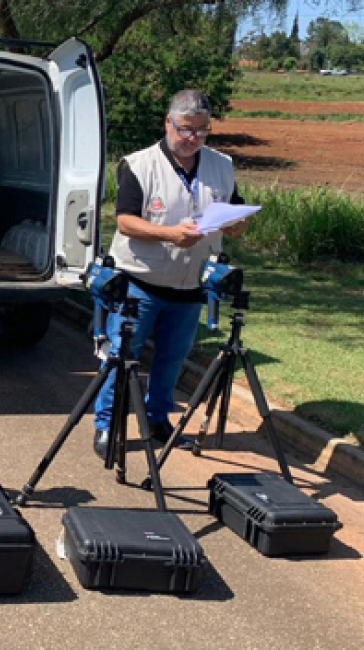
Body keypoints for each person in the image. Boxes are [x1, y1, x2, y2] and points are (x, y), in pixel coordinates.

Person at [94, 89, 249, 455]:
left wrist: (237, 225)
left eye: (201, 131)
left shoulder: (222, 165)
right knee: (121, 357)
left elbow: (236, 210)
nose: (193, 138)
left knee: (172, 359)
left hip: (191, 286)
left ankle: (158, 420)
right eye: (185, 129)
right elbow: (126, 222)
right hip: (139, 283)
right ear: (168, 123)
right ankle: (107, 425)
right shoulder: (138, 164)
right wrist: (168, 234)